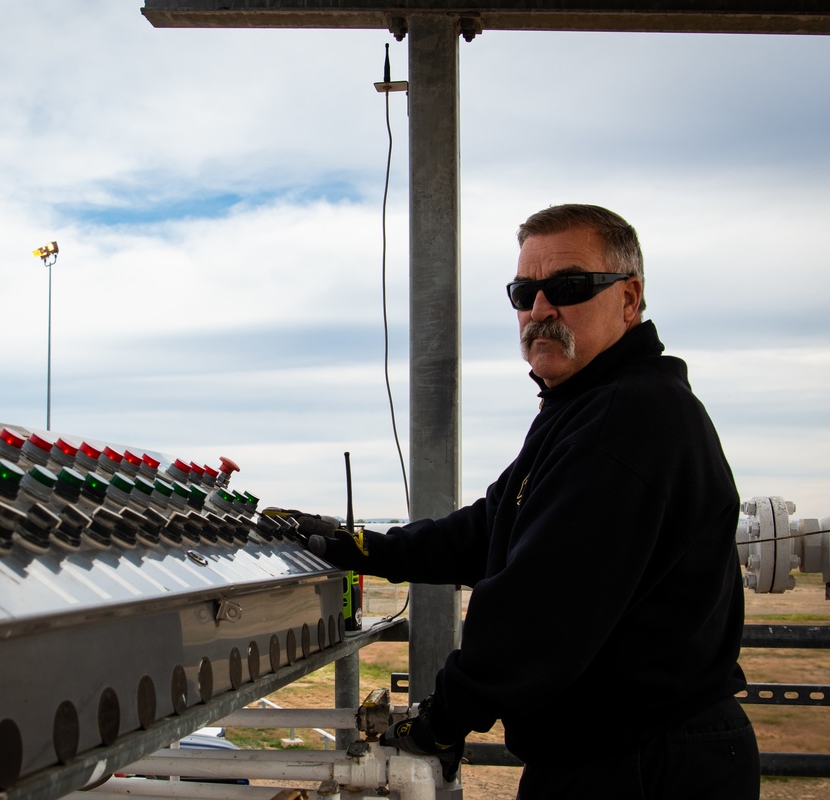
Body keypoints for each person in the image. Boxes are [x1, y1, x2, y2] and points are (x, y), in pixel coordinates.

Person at [308, 204, 760, 799]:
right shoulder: (586, 409)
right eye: (525, 292)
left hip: (643, 765)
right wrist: (364, 546)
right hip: (613, 754)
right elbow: (490, 528)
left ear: (629, 298)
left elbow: (540, 604)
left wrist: (443, 721)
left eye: (568, 287)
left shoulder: (628, 418)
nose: (541, 309)